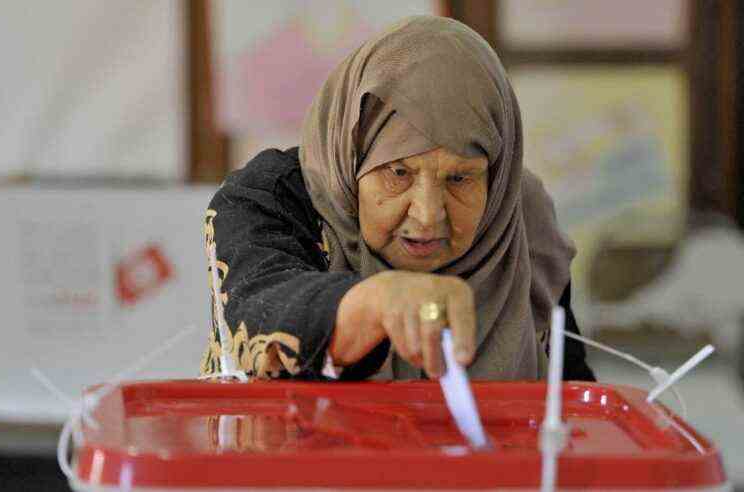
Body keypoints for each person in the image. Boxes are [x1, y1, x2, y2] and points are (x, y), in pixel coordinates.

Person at [200, 16, 595, 382]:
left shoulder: (518, 216)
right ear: (352, 157)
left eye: (459, 178)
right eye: (398, 173)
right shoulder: (271, 197)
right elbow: (255, 310)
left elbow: (572, 399)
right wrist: (377, 301)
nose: (427, 216)